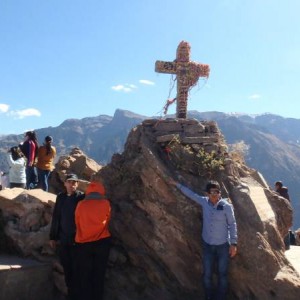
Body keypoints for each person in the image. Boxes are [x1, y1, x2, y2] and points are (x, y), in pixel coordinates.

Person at [169, 179, 237, 300]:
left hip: (223, 245)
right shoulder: (204, 202)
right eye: (212, 192)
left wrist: (233, 243)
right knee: (207, 275)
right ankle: (208, 297)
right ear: (207, 194)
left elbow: (232, 224)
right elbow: (191, 194)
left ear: (220, 193)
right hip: (208, 245)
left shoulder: (226, 206)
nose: (215, 194)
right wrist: (176, 184)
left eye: (217, 191)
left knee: (222, 274)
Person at [73, 181, 111, 300]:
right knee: (99, 276)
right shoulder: (106, 203)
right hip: (102, 242)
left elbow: (77, 221)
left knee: (84, 276)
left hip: (84, 244)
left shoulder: (81, 204)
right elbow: (107, 220)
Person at [49, 174, 85, 300]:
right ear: (65, 184)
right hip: (63, 240)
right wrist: (53, 237)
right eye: (69, 182)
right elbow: (56, 217)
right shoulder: (61, 197)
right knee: (67, 269)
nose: (72, 184)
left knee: (77, 270)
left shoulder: (81, 197)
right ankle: (71, 295)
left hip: (77, 241)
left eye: (75, 182)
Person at [274, 181, 291, 249]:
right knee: (286, 228)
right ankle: (287, 245)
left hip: (283, 213)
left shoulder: (280, 192)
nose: (275, 187)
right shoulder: (284, 192)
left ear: (278, 186)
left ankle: (285, 245)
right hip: (287, 212)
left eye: (276, 186)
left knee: (283, 228)